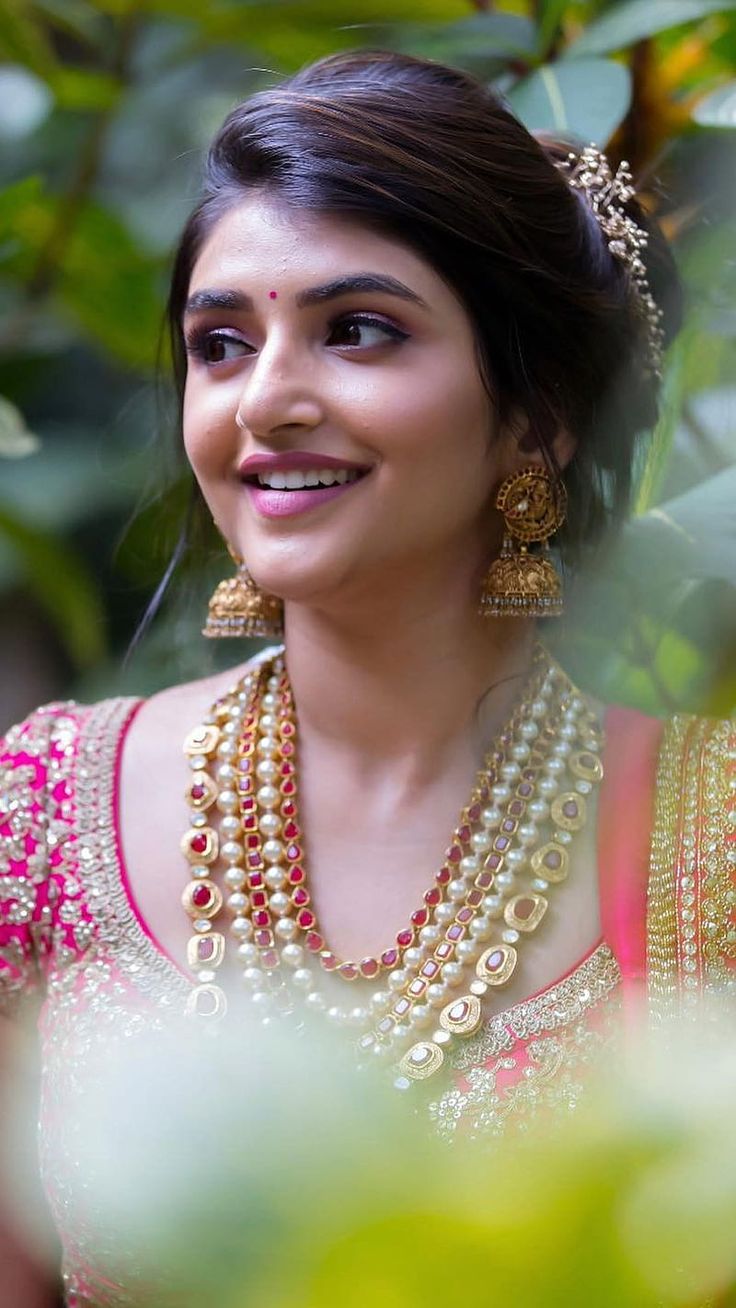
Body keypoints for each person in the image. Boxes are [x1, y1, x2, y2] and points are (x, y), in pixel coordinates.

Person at [0, 49, 733, 1307]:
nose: (266, 400)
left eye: (357, 331)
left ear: (538, 414)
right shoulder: (46, 816)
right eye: (220, 344)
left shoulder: (708, 840)